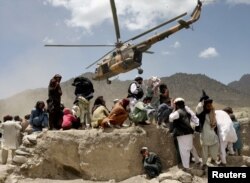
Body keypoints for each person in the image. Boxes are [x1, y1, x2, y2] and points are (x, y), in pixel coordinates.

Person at [169, 98, 196, 171]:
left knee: (184, 151)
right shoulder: (187, 111)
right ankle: (197, 161)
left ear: (176, 105)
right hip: (189, 133)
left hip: (182, 134)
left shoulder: (178, 112)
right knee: (190, 148)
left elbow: (171, 117)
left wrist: (173, 110)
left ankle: (186, 167)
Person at [195, 90, 219, 169]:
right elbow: (199, 107)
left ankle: (206, 162)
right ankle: (211, 160)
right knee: (211, 147)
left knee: (206, 149)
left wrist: (202, 100)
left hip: (208, 134)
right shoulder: (207, 112)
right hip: (209, 134)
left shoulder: (209, 112)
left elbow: (198, 108)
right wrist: (203, 100)